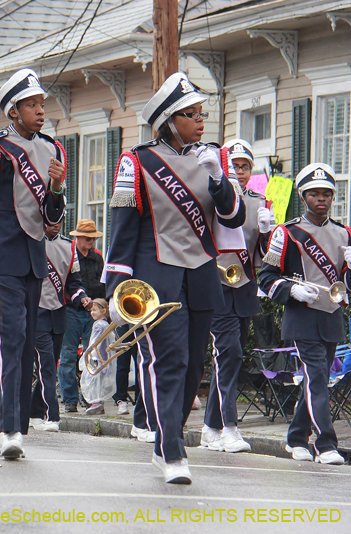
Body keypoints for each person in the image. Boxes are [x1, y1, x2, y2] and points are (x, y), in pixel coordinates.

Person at [105, 71, 245, 484]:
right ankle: (171, 451)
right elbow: (122, 227)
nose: (200, 121)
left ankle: (167, 439)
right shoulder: (137, 160)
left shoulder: (213, 159)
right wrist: (116, 287)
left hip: (201, 275)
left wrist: (219, 181)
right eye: (190, 114)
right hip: (154, 277)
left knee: (192, 368)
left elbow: (234, 217)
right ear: (168, 121)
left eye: (201, 113)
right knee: (170, 361)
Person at [0, 69, 66, 459]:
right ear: (13, 111)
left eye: (42, 104)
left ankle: (15, 423)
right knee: (12, 338)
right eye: (31, 105)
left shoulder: (53, 149)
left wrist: (56, 188)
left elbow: (54, 223)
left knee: (25, 349)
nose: (40, 111)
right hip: (0, 255)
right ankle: (7, 428)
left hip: (34, 256)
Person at [258, 163, 349, 466]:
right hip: (301, 316)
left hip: (332, 316)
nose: (321, 199)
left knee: (315, 379)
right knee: (318, 378)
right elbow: (266, 278)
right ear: (303, 197)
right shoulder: (286, 233)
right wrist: (290, 291)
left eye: (326, 194)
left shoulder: (344, 233)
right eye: (314, 194)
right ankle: (325, 445)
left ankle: (296, 437)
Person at [202, 139, 272, 453]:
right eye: (234, 166)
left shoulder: (259, 203)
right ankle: (229, 426)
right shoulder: (210, 196)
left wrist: (269, 233)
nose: (239, 172)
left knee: (232, 356)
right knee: (227, 352)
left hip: (243, 286)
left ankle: (209, 427)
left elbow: (265, 257)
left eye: (244, 167)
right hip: (215, 284)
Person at [32, 221, 88, 430]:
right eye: (51, 220)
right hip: (36, 311)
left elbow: (74, 282)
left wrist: (81, 297)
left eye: (60, 220)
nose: (56, 225)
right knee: (47, 365)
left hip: (58, 313)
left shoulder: (69, 246)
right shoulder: (32, 243)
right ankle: (52, 416)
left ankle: (33, 410)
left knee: (49, 364)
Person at [58, 219, 105, 413]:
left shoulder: (98, 257)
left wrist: (101, 307)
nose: (90, 242)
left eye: (93, 238)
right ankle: (70, 399)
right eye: (87, 238)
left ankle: (89, 397)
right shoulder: (68, 255)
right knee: (68, 355)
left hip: (93, 312)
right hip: (71, 310)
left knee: (92, 356)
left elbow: (103, 283)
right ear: (77, 238)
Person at [81, 299, 113, 415]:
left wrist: (88, 354)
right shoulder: (106, 324)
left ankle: (96, 402)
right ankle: (100, 405)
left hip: (97, 358)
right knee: (100, 382)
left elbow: (95, 342)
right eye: (91, 310)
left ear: (104, 311)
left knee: (93, 380)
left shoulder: (98, 325)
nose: (92, 313)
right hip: (103, 358)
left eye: (94, 310)